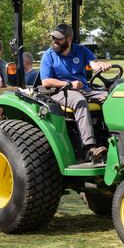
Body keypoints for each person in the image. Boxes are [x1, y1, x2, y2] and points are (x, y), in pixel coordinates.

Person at [40, 24, 111, 164]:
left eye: (58, 39)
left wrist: (101, 65)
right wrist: (68, 84)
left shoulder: (81, 50)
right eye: (53, 38)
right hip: (60, 92)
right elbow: (46, 81)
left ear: (69, 39)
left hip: (85, 89)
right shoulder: (49, 55)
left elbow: (94, 64)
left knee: (111, 97)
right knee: (79, 101)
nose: (55, 41)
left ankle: (112, 141)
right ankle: (90, 148)